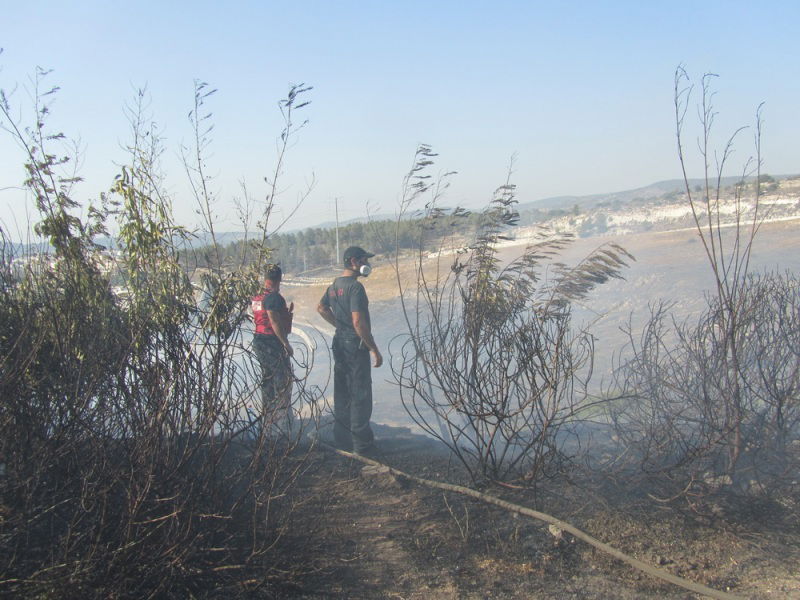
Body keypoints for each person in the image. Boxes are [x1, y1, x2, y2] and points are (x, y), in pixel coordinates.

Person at [317, 246, 383, 455]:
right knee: (360, 395)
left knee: (343, 392)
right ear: (354, 262)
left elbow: (321, 308)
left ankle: (342, 441)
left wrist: (338, 325)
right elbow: (358, 322)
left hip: (339, 343)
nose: (368, 263)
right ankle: (362, 447)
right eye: (365, 259)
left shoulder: (334, 285)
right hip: (355, 345)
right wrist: (374, 349)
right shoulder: (355, 288)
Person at [251, 264, 294, 435]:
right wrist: (285, 344)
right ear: (279, 279)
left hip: (258, 340)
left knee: (267, 381)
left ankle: (267, 423)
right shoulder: (275, 298)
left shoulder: (257, 296)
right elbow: (275, 322)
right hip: (272, 342)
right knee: (282, 381)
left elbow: (260, 317)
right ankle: (281, 424)